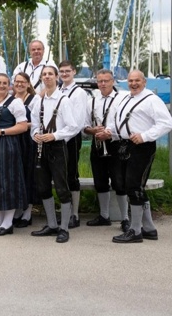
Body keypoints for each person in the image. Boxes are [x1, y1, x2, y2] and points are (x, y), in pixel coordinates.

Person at [109, 70, 172, 243]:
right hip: (126, 145)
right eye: (130, 80)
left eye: (137, 80)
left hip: (142, 147)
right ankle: (149, 228)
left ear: (144, 82)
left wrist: (144, 136)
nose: (133, 83)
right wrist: (111, 133)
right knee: (133, 186)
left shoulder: (152, 100)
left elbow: (166, 123)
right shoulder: (126, 98)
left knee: (133, 186)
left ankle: (135, 231)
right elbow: (121, 122)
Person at [30, 66, 80, 244]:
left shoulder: (64, 100)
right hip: (42, 147)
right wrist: (35, 134)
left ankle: (64, 228)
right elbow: (34, 124)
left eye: (50, 74)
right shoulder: (39, 101)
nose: (47, 77)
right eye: (44, 74)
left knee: (61, 188)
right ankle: (51, 224)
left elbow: (73, 127)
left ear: (56, 77)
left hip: (58, 147)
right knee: (43, 187)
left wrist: (54, 135)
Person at [0, 73, 29, 236]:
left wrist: (1, 131)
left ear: (9, 86)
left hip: (8, 144)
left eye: (5, 83)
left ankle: (8, 223)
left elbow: (22, 126)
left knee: (7, 181)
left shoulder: (15, 102)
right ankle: (0, 220)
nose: (1, 85)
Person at [83, 70, 128, 229]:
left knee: (119, 182)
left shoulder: (121, 99)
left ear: (113, 81)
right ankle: (104, 216)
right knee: (100, 181)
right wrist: (93, 130)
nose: (102, 84)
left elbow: (124, 122)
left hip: (115, 144)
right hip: (97, 145)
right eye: (100, 81)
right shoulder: (91, 101)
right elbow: (85, 127)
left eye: (106, 81)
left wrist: (109, 133)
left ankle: (125, 219)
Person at [58, 60, 89, 228]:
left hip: (70, 138)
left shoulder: (79, 93)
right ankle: (65, 212)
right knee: (60, 175)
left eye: (67, 71)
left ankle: (74, 214)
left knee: (72, 175)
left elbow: (77, 121)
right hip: (57, 138)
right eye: (61, 71)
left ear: (74, 72)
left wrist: (63, 137)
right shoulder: (58, 90)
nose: (64, 74)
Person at [11, 72, 39, 228]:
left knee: (28, 175)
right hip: (14, 140)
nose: (19, 84)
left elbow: (37, 122)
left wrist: (20, 125)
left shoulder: (35, 100)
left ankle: (27, 213)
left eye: (22, 82)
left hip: (28, 140)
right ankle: (16, 210)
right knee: (16, 175)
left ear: (28, 84)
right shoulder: (11, 99)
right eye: (17, 82)